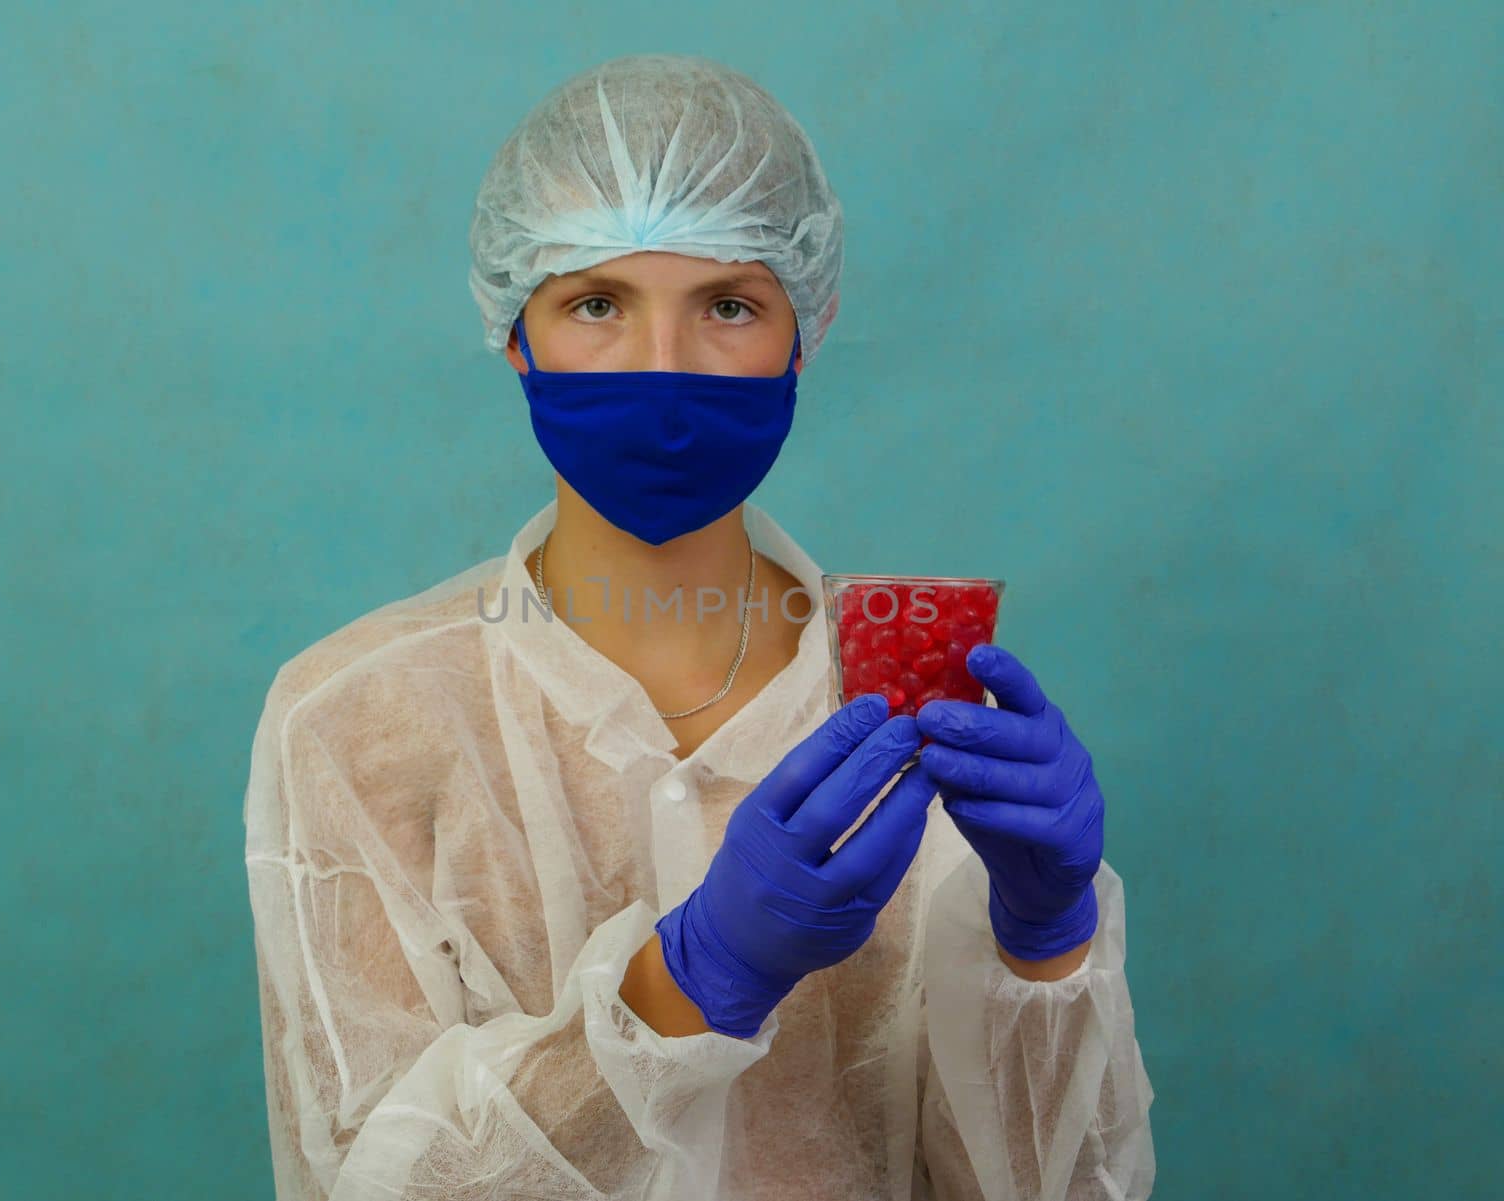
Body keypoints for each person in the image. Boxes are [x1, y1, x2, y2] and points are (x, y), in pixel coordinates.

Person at [243, 53, 1155, 1200]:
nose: (662, 370)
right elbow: (362, 1181)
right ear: (514, 332)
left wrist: (1044, 941)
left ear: (803, 332)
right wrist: (686, 983)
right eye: (595, 304)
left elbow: (1060, 1188)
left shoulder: (925, 711)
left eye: (727, 306)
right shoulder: (361, 722)